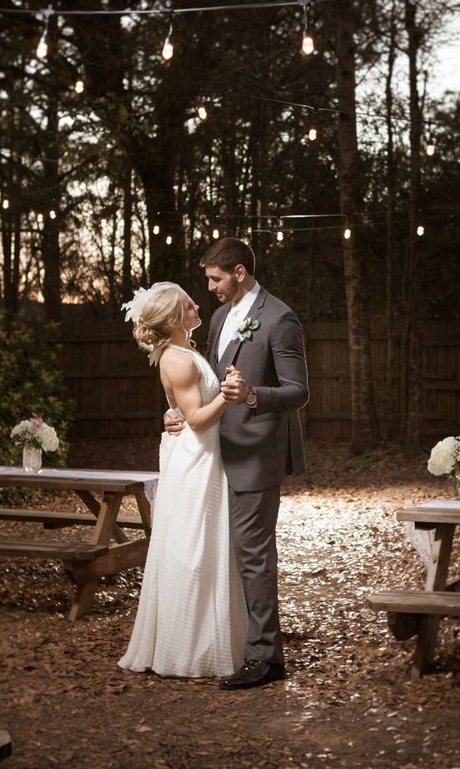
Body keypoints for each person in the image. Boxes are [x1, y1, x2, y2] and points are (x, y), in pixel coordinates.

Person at [165, 238, 309, 690]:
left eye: (215, 278)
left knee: (252, 556)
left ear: (240, 272)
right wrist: (179, 415)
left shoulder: (280, 318)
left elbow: (298, 391)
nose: (209, 287)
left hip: (257, 454)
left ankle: (267, 658)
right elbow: (207, 384)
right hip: (214, 454)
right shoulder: (222, 317)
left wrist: (251, 395)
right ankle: (236, 641)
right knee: (225, 554)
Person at [117, 282, 248, 678]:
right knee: (192, 550)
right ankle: (187, 648)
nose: (197, 304)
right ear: (174, 319)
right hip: (196, 461)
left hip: (204, 456)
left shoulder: (187, 350)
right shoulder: (177, 359)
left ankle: (214, 637)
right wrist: (227, 393)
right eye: (189, 303)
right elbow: (194, 419)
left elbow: (183, 410)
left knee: (208, 547)